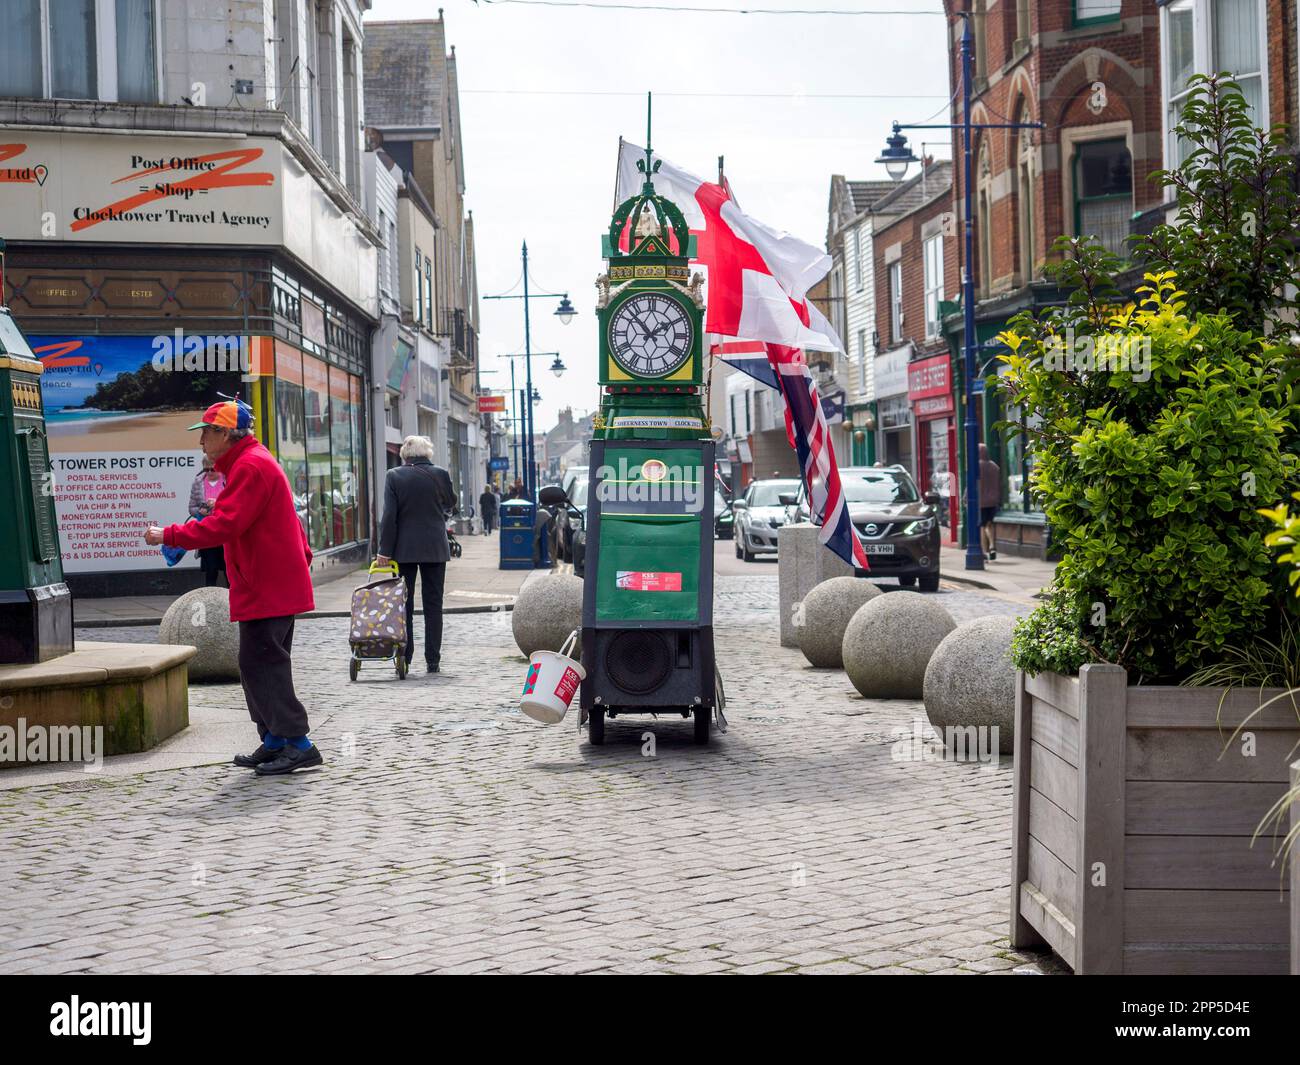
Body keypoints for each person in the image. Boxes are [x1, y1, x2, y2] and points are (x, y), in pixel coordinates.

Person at [145, 399, 320, 775]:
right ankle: (274, 739)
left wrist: (169, 534)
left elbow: (225, 524)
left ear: (225, 434)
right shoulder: (248, 462)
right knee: (255, 662)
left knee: (264, 663)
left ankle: (299, 742)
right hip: (267, 581)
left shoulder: (250, 466)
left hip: (267, 583)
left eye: (206, 432)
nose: (201, 440)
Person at [376, 435, 456, 674]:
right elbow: (451, 502)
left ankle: (406, 657)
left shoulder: (394, 476)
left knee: (405, 605)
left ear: (405, 454)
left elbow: (389, 517)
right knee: (434, 605)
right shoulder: (440, 474)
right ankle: (433, 660)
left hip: (405, 549)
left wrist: (384, 551)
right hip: (435, 547)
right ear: (427, 453)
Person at [188, 456, 227, 587]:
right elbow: (191, 508)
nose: (209, 472)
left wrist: (218, 504)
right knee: (210, 569)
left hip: (225, 531)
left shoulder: (227, 481)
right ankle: (209, 600)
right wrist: (200, 511)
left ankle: (232, 600)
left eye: (213, 469)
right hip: (207, 531)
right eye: (206, 469)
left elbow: (235, 504)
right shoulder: (198, 482)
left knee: (229, 569)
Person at [978, 442, 1002, 561]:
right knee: (989, 524)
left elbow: (972, 485)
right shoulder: (995, 466)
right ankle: (992, 546)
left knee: (982, 526)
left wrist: (965, 498)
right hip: (993, 501)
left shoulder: (976, 466)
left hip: (981, 502)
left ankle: (984, 551)